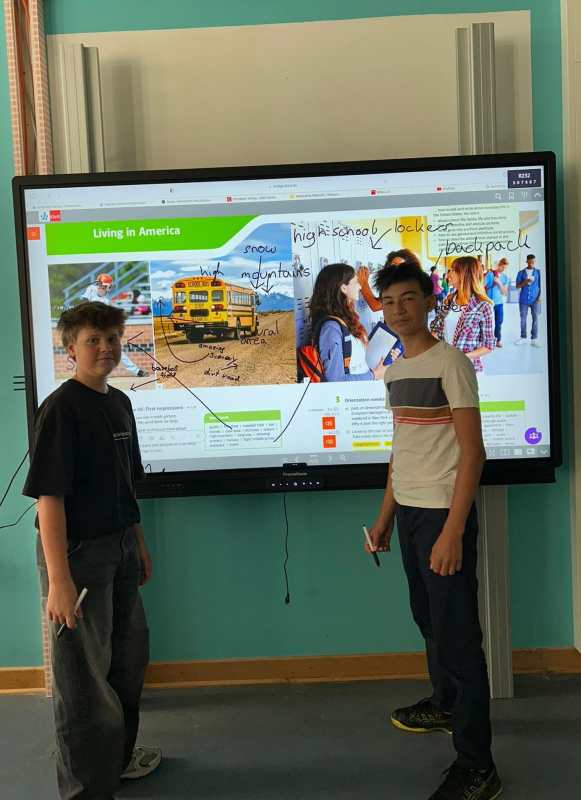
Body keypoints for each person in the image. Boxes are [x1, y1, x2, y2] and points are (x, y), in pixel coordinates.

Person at [367, 260, 501, 800]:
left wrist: (452, 531)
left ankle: (478, 767)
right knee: (428, 619)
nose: (398, 310)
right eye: (389, 302)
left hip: (444, 516)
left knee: (459, 637)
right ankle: (446, 706)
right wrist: (384, 518)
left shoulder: (452, 364)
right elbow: (402, 452)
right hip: (410, 514)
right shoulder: (396, 371)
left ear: (428, 302)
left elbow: (473, 452)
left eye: (408, 299)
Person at [22, 301, 161, 800]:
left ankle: (116, 762)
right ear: (70, 350)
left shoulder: (119, 403)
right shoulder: (62, 409)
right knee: (81, 680)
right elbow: (49, 500)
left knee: (126, 662)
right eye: (92, 341)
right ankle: (85, 788)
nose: (105, 348)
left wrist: (137, 543)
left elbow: (126, 484)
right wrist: (59, 582)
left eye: (112, 339)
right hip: (78, 559)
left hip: (119, 549)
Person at [309, 263, 386, 381]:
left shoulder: (344, 321)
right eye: (356, 282)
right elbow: (336, 379)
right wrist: (374, 375)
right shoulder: (331, 328)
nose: (360, 287)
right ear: (343, 288)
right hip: (352, 393)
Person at [430, 256, 494, 372]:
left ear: (464, 274)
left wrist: (462, 357)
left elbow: (488, 345)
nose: (448, 274)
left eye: (453, 270)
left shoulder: (483, 306)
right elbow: (436, 329)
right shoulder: (448, 300)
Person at [83, 273, 148, 376]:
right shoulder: (91, 289)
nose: (108, 289)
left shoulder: (106, 301)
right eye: (107, 286)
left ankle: (136, 371)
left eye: (108, 286)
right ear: (101, 284)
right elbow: (84, 303)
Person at [515, 254, 541, 347]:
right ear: (527, 262)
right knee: (523, 319)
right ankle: (523, 337)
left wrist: (539, 297)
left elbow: (540, 285)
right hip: (523, 300)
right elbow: (517, 286)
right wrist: (525, 282)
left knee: (535, 318)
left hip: (535, 299)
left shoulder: (538, 272)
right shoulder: (521, 273)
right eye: (529, 262)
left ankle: (534, 339)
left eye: (533, 262)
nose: (531, 264)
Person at [491, 258, 510, 347]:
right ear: (498, 265)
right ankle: (484, 340)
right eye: (502, 267)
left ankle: (497, 340)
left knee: (499, 322)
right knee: (485, 322)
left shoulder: (505, 277)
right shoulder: (490, 274)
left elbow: (505, 293)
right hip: (488, 302)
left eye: (505, 268)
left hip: (499, 303)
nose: (503, 269)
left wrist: (499, 283)